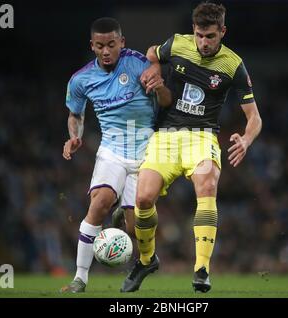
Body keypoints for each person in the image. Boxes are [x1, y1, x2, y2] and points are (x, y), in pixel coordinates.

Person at [120, 2, 262, 293]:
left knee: (207, 185)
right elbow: (151, 52)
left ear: (222, 32)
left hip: (203, 137)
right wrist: (156, 69)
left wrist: (246, 139)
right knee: (143, 199)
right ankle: (146, 260)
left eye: (210, 36)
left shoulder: (233, 64)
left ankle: (201, 269)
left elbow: (255, 118)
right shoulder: (177, 43)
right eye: (199, 35)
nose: (203, 42)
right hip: (165, 136)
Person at [60, 17, 172, 293]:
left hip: (146, 149)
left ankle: (124, 215)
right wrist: (75, 136)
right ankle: (80, 278)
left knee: (136, 229)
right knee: (99, 203)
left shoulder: (140, 64)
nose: (107, 50)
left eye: (112, 44)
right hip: (112, 147)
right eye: (100, 46)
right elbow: (75, 115)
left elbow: (168, 101)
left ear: (122, 42)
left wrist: (159, 87)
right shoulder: (81, 79)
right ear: (92, 46)